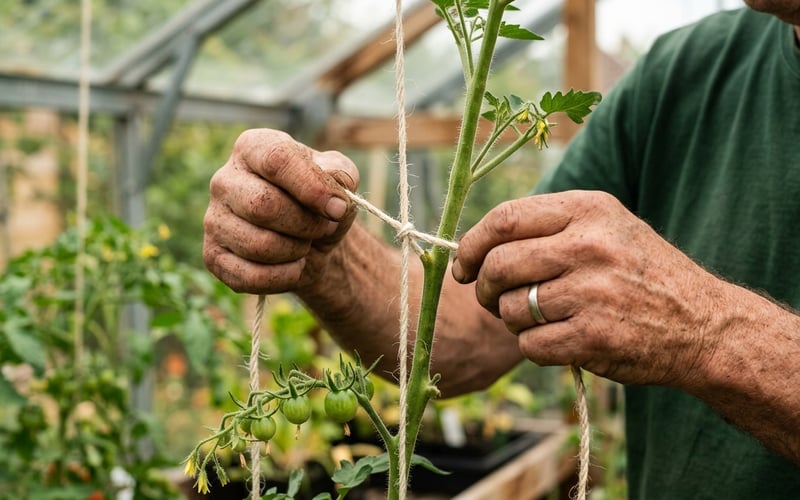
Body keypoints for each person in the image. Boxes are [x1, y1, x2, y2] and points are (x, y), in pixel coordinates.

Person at [202, 2, 800, 498]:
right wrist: (319, 248)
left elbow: (692, 323)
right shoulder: (689, 72)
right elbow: (468, 327)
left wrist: (703, 329)